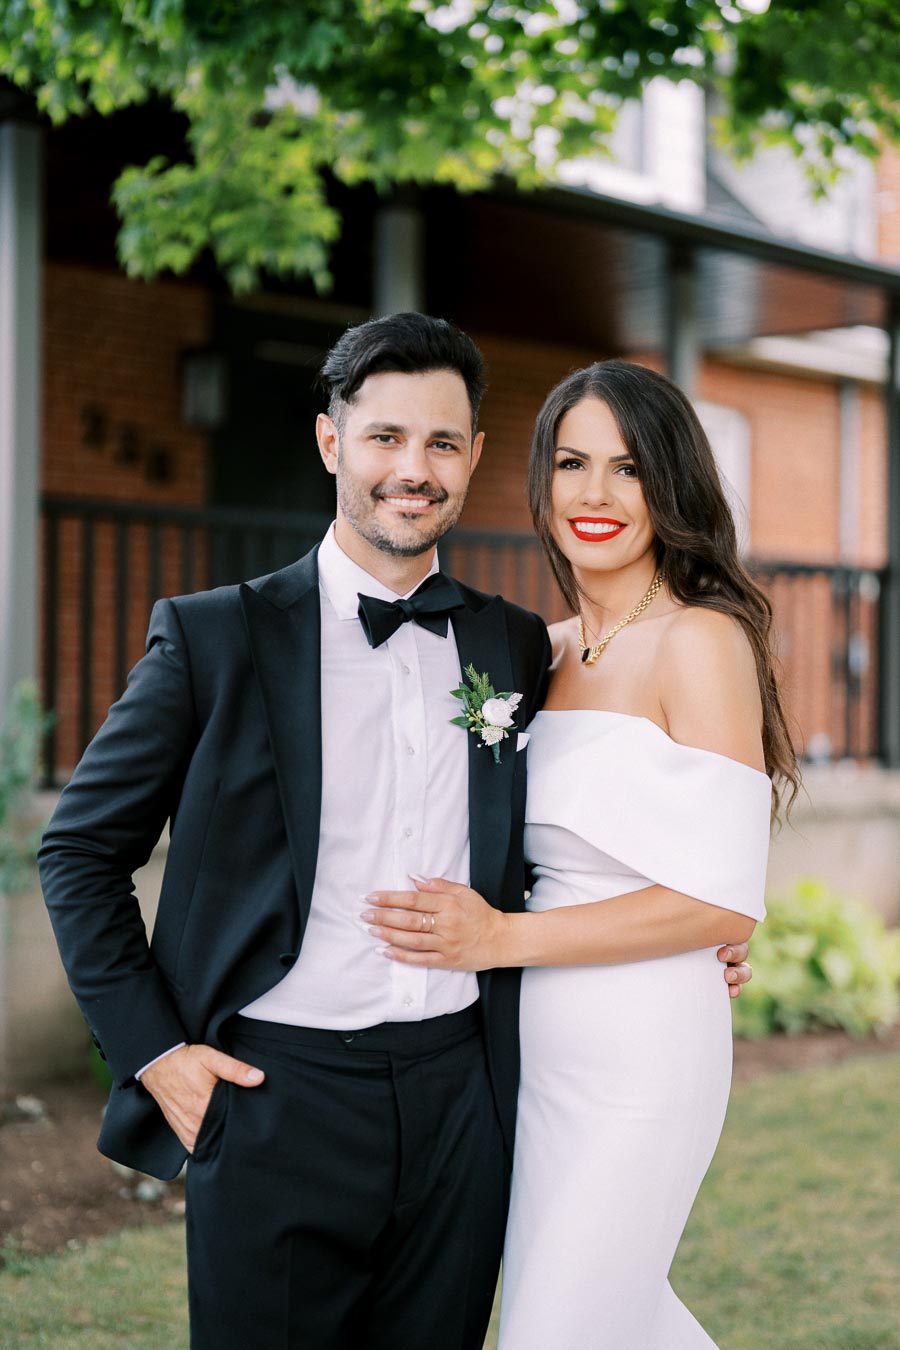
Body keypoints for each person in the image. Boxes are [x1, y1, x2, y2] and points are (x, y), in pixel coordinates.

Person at [39, 319, 752, 1350]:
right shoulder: (214, 638)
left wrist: (704, 932)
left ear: (469, 464)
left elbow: (626, 817)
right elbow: (77, 852)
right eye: (384, 438)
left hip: (468, 1097)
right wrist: (154, 1055)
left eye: (443, 444)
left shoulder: (513, 645)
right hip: (276, 1095)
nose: (412, 470)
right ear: (332, 442)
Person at [364, 359, 798, 1348]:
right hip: (530, 1054)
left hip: (643, 1053)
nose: (596, 494)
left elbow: (723, 905)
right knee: (620, 1320)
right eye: (572, 463)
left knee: (557, 1332)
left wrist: (502, 936)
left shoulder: (702, 642)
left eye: (629, 468)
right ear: (541, 484)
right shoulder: (535, 653)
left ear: (672, 488)